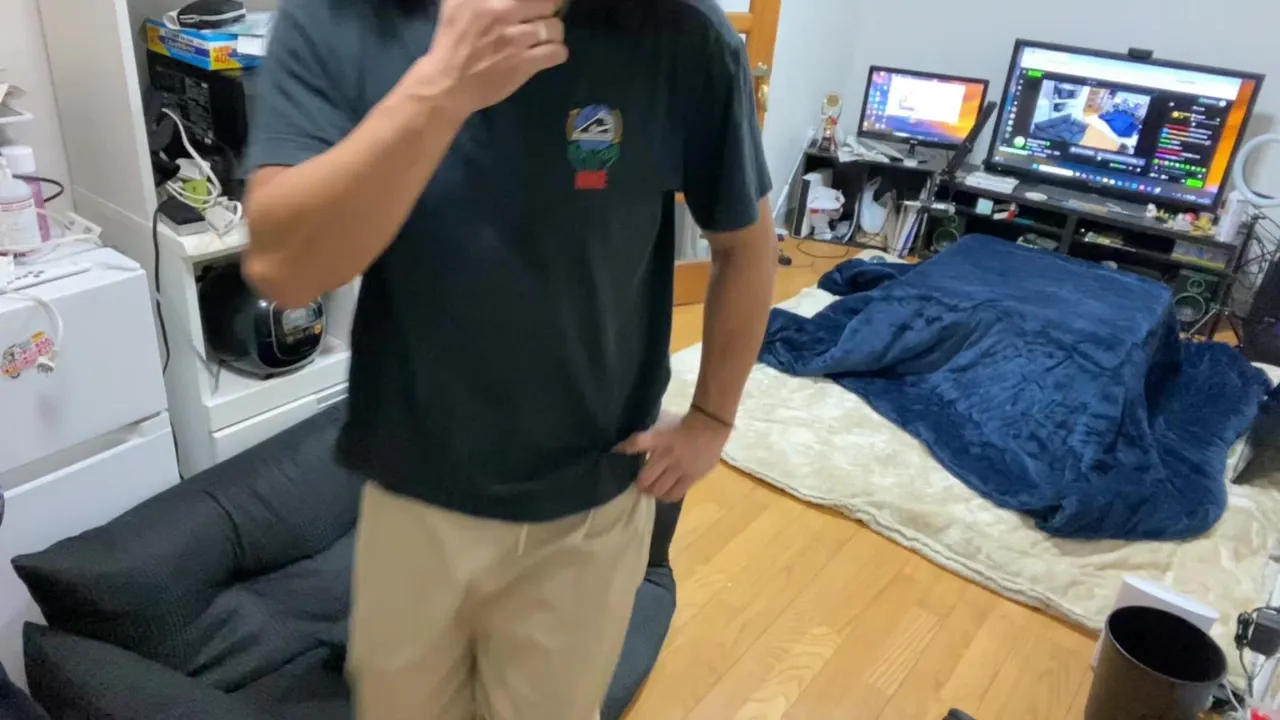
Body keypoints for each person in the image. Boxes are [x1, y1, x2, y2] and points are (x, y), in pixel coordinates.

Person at [242, 0, 776, 717]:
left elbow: (745, 245)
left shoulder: (683, 33)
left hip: (586, 511)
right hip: (408, 501)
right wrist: (441, 87)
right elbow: (285, 272)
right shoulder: (341, 20)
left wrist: (712, 417)